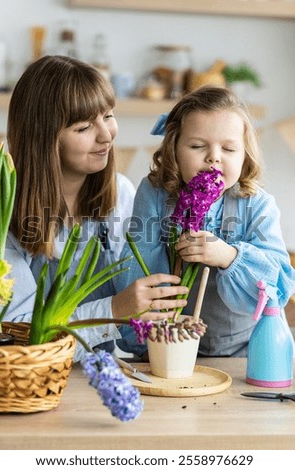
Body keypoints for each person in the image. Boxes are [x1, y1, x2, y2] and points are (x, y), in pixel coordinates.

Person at [4, 55, 189, 360]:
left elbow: (135, 332)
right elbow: (20, 336)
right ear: (44, 138)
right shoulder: (4, 214)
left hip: (101, 375)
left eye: (108, 116)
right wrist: (115, 308)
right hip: (32, 384)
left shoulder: (121, 194)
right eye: (84, 127)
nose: (106, 135)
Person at [116, 85, 295, 357]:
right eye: (198, 146)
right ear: (174, 148)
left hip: (241, 353)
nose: (214, 156)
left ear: (245, 154)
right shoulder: (154, 193)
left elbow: (278, 285)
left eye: (229, 148)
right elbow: (136, 264)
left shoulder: (257, 204)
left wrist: (228, 256)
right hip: (166, 345)